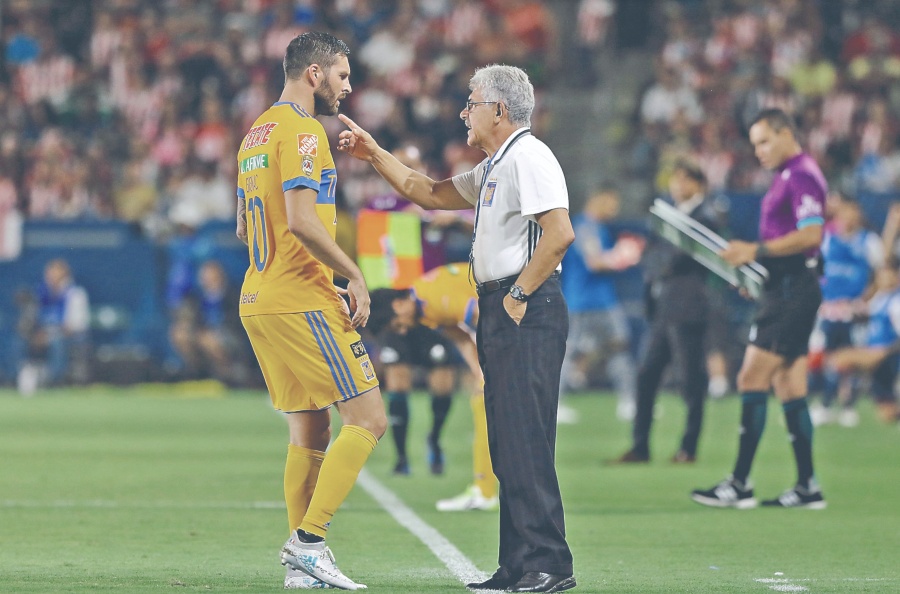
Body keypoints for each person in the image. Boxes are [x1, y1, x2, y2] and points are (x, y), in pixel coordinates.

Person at [338, 64, 576, 593]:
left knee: (527, 439)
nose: (464, 112)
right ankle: (517, 564)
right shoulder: (498, 163)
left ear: (500, 109)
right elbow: (427, 193)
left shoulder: (530, 156)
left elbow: (559, 234)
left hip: (524, 306)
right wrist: (374, 153)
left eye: (472, 102)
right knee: (508, 441)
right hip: (500, 306)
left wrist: (517, 296)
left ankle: (550, 565)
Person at [234, 32, 386, 591]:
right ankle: (310, 541)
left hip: (258, 296)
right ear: (315, 74)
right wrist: (353, 272)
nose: (348, 87)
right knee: (369, 419)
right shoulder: (303, 131)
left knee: (309, 430)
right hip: (301, 298)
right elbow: (300, 220)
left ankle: (302, 570)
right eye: (343, 76)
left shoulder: (257, 132)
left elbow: (246, 224)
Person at [692, 108, 828, 510]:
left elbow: (811, 234)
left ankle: (739, 483)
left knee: (752, 377)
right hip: (784, 287)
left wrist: (755, 251)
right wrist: (759, 275)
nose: (759, 151)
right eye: (755, 145)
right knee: (789, 385)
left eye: (765, 141)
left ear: (787, 133)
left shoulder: (802, 174)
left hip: (793, 290)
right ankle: (807, 487)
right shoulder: (788, 175)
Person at [368, 263, 499, 511]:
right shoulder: (426, 308)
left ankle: (486, 491)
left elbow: (483, 316)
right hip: (511, 314)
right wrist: (482, 373)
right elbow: (460, 337)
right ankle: (486, 488)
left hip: (516, 317)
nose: (403, 330)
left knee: (485, 404)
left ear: (398, 305)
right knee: (483, 401)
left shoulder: (433, 298)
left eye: (398, 324)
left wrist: (496, 364)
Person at [615, 160, 718, 464]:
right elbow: (654, 255)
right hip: (663, 308)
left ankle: (689, 447)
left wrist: (658, 261)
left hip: (688, 307)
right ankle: (640, 446)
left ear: (698, 184)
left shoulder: (705, 217)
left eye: (684, 179)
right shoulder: (668, 216)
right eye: (675, 179)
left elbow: (676, 259)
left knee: (690, 381)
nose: (677, 186)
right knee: (646, 376)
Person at [560, 186, 640, 423]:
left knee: (617, 348)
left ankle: (629, 403)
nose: (614, 209)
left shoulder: (597, 227)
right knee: (571, 353)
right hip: (585, 301)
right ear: (598, 199)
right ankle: (554, 405)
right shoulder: (585, 227)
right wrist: (623, 257)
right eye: (611, 203)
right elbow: (594, 263)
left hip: (600, 299)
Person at [809, 197, 883, 427]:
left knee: (851, 357)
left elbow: (882, 273)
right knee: (827, 357)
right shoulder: (827, 240)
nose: (849, 217)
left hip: (854, 312)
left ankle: (848, 406)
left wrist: (866, 299)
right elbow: (816, 272)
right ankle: (826, 404)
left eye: (853, 212)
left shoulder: (868, 242)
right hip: (829, 311)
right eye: (845, 212)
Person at [825, 259, 900, 425]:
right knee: (887, 416)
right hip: (874, 353)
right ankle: (845, 404)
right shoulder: (880, 298)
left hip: (887, 356)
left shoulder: (896, 301)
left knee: (838, 359)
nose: (884, 278)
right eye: (881, 275)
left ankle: (836, 405)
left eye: (888, 274)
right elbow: (864, 311)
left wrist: (884, 352)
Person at [168, 260, 250, 387]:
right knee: (180, 334)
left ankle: (227, 377)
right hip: (202, 334)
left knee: (208, 339)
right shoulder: (198, 297)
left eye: (210, 275)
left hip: (232, 337)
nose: (206, 279)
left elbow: (237, 324)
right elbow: (193, 320)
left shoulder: (233, 294)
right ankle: (197, 374)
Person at [16, 258, 91, 394]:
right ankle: (19, 378)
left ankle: (54, 381)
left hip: (66, 336)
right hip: (41, 334)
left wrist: (49, 335)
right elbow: (33, 319)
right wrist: (34, 334)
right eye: (49, 273)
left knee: (58, 343)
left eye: (55, 273)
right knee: (19, 341)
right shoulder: (41, 293)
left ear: (64, 274)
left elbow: (75, 325)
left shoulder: (75, 294)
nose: (51, 276)